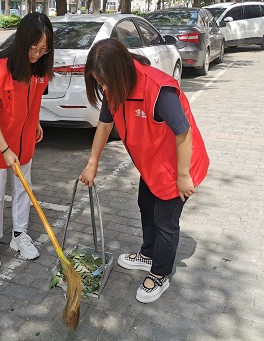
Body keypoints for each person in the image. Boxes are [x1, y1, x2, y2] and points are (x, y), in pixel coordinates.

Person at [78, 38, 209, 303]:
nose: (104, 89)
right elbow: (104, 126)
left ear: (120, 71)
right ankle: (148, 254)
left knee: (165, 221)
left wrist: (183, 176)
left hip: (177, 168)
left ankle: (160, 274)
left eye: (105, 82)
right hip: (152, 164)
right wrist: (93, 163)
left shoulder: (158, 89)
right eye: (99, 83)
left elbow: (183, 132)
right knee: (145, 205)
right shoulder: (115, 87)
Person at [0, 12, 54, 269]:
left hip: (24, 147)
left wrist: (36, 123)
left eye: (44, 49)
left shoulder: (41, 69)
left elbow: (32, 102)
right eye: (33, 48)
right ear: (22, 42)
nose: (37, 55)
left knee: (23, 191)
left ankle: (19, 235)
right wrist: (5, 149)